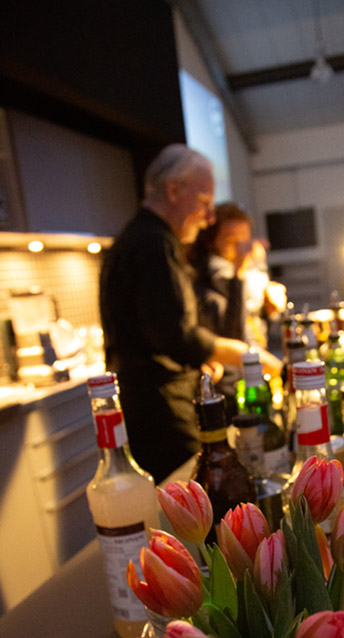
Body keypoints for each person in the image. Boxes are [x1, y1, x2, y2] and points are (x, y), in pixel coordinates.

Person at [99, 145, 281, 483]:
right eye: (204, 202)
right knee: (191, 504)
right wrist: (248, 356)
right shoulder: (153, 244)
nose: (209, 216)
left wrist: (197, 360)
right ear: (173, 190)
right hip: (161, 413)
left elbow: (156, 330)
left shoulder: (142, 238)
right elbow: (178, 337)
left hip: (152, 405)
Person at [187, 202, 286, 414]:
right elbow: (233, 333)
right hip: (229, 386)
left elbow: (255, 325)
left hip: (255, 375)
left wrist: (269, 308)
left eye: (245, 241)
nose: (242, 249)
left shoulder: (251, 279)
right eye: (233, 241)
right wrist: (239, 271)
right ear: (211, 242)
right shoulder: (210, 282)